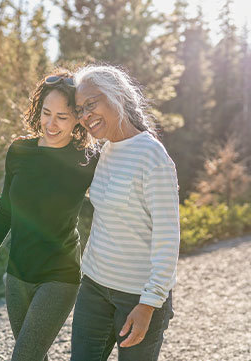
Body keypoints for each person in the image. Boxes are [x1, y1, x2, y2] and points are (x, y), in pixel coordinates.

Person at [0, 70, 98, 361]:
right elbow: (5, 213)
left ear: (78, 118)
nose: (51, 124)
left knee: (23, 357)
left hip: (59, 276)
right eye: (46, 113)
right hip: (17, 276)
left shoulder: (87, 160)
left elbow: (114, 206)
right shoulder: (19, 151)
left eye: (62, 117)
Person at [70, 64, 180, 361]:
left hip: (137, 297)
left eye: (91, 104)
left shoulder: (151, 156)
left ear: (117, 95)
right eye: (80, 109)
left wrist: (149, 304)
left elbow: (167, 236)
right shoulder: (104, 151)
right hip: (94, 287)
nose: (84, 115)